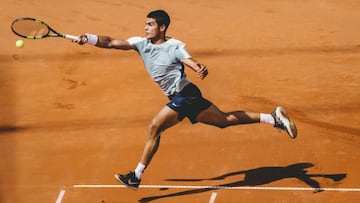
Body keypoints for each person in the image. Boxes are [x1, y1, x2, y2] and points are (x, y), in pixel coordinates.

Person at [75, 9, 297, 190]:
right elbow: (111, 42)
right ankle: (273, 118)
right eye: (145, 24)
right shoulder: (140, 44)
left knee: (154, 127)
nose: (145, 28)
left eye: (150, 24)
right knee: (223, 120)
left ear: (162, 27)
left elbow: (188, 60)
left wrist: (198, 67)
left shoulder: (175, 46)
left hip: (185, 96)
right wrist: (89, 38)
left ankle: (136, 176)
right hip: (187, 96)